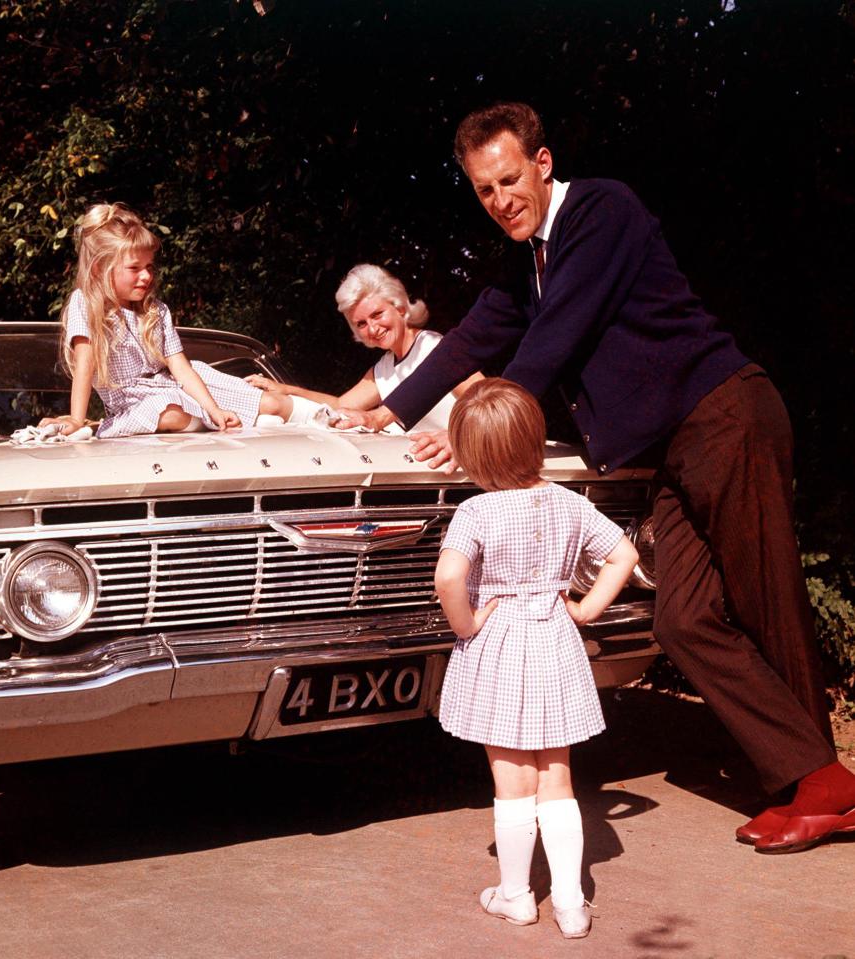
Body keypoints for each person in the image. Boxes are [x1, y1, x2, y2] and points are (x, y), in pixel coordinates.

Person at [337, 102, 855, 853]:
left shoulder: (602, 210)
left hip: (725, 416)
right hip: (671, 450)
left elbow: (557, 335)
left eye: (509, 179)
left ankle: (819, 786)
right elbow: (475, 335)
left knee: (763, 591)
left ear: (543, 165)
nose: (499, 199)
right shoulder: (529, 260)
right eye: (484, 189)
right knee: (684, 620)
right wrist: (387, 412)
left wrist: (477, 424)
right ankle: (813, 776)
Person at [434, 378, 638, 938]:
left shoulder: (476, 511)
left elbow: (449, 576)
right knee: (558, 779)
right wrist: (587, 608)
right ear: (535, 439)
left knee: (512, 781)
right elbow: (623, 554)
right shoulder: (571, 503)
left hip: (499, 646)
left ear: (471, 452)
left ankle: (517, 895)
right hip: (555, 644)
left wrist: (467, 624)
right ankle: (571, 904)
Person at [41, 202, 329, 439]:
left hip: (181, 386)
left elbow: (182, 368)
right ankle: (227, 423)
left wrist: (214, 409)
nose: (146, 276)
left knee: (271, 402)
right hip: (135, 401)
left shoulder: (156, 310)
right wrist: (77, 419)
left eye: (150, 267)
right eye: (134, 268)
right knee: (169, 413)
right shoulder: (86, 303)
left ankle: (331, 416)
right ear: (99, 268)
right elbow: (85, 365)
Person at [247, 263, 481, 431]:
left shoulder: (434, 347)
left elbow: (491, 403)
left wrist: (455, 438)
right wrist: (287, 390)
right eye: (361, 323)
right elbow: (341, 406)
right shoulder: (384, 368)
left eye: (377, 314)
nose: (372, 327)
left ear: (399, 307)